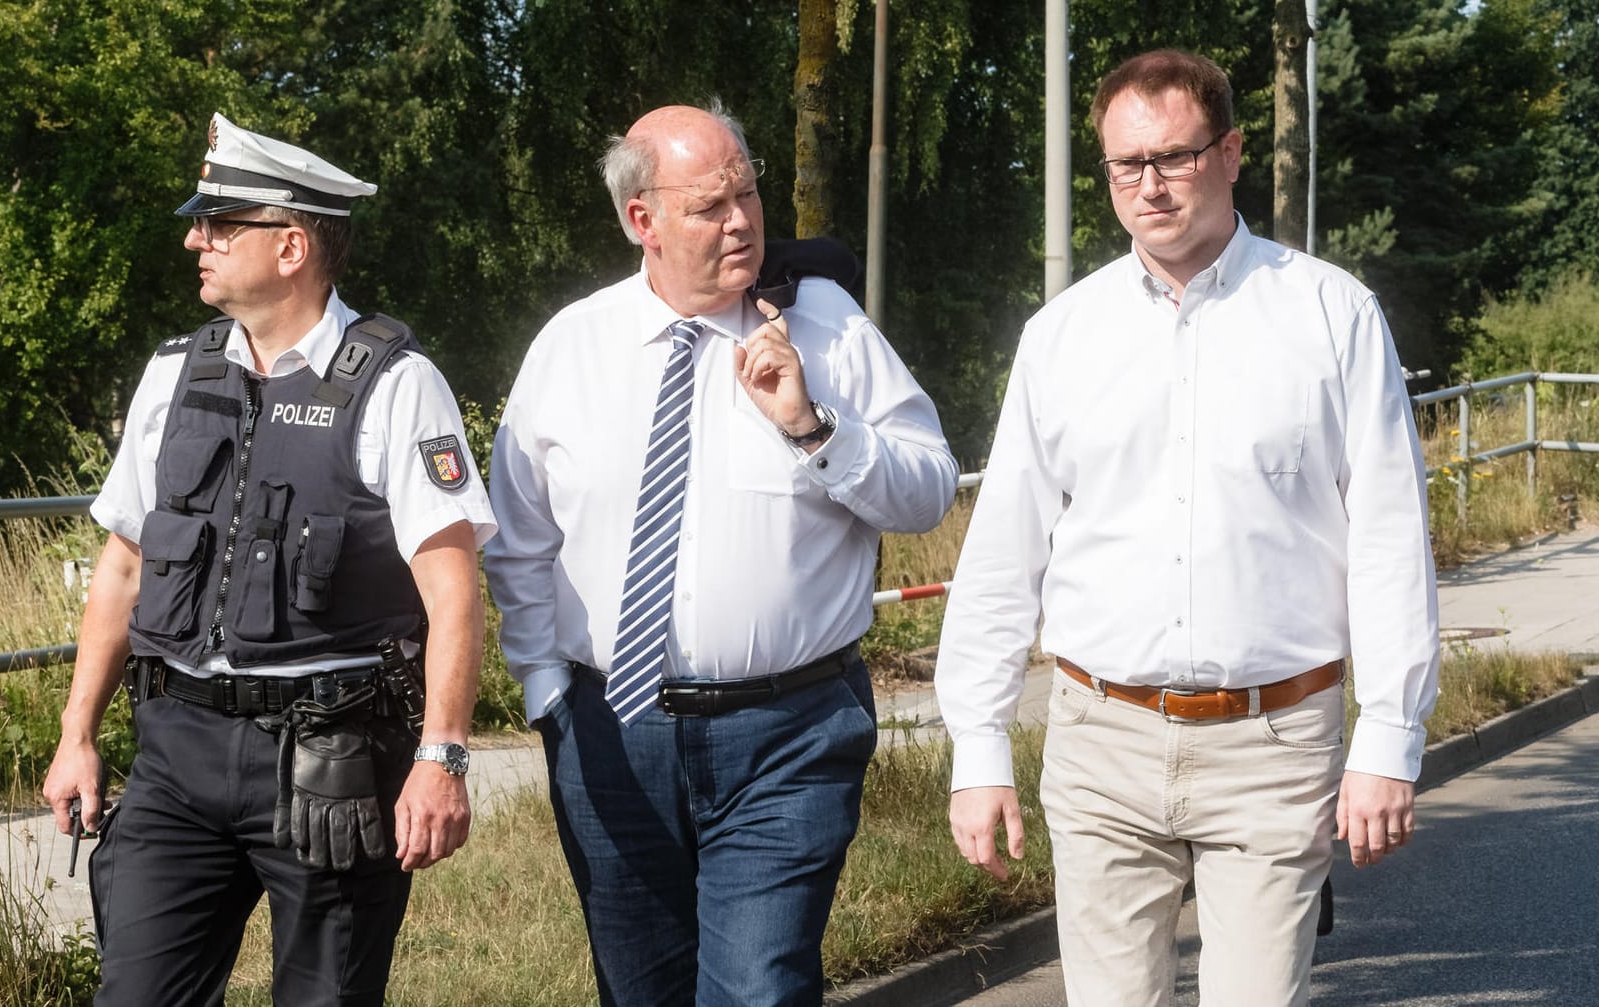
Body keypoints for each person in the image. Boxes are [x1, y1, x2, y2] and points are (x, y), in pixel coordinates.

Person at [934, 50, 1441, 1006]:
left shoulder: (1330, 315)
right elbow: (1004, 551)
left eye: (1173, 155)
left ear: (1232, 151)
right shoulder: (1063, 335)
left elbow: (1386, 535)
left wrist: (1389, 736)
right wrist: (979, 745)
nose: (1149, 185)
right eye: (1125, 164)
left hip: (1274, 741)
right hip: (1098, 739)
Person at [483, 102, 958, 1006]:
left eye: (747, 193)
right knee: (640, 990)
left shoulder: (825, 326)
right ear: (642, 221)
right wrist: (547, 693)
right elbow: (519, 540)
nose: (740, 220)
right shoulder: (571, 349)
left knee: (756, 987)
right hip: (611, 739)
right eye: (710, 205)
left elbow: (929, 486)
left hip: (787, 732)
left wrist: (814, 426)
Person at [41, 112, 496, 1006]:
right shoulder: (174, 374)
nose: (193, 240)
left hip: (328, 761)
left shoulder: (397, 384)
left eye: (218, 224)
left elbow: (452, 590)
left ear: (291, 246)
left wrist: (441, 757)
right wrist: (76, 733)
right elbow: (124, 563)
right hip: (176, 754)